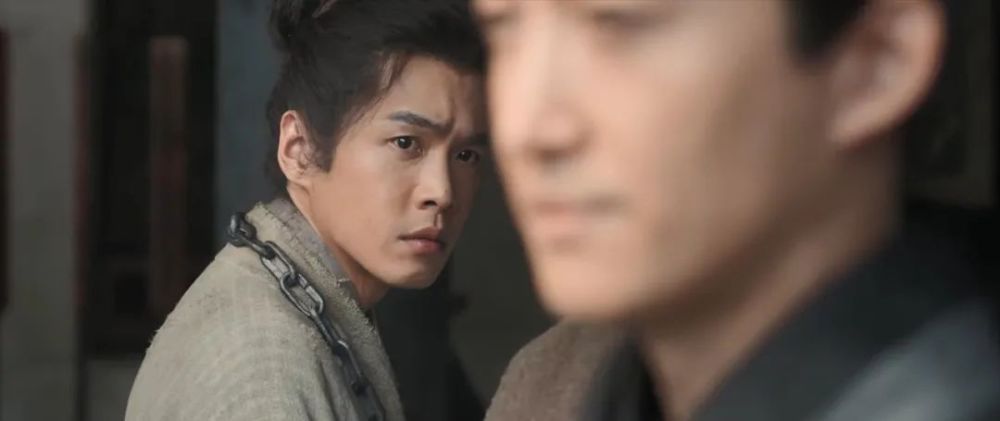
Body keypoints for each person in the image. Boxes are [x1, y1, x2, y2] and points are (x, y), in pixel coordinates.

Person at [474, 0, 998, 420]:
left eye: (621, 19)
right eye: (501, 27)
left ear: (877, 62)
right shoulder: (570, 385)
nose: (525, 128)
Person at [125, 0, 486, 419]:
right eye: (406, 143)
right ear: (301, 150)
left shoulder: (305, 306)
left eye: (466, 155)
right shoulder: (263, 367)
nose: (442, 192)